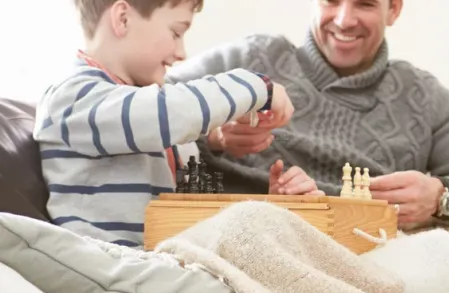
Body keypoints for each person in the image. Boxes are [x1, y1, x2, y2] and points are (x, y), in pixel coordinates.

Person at [164, 0, 449, 234]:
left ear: (394, 9)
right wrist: (210, 132)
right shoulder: (248, 59)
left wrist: (442, 197)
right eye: (331, 1)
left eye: (365, 4)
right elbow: (143, 106)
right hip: (240, 235)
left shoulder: (424, 97)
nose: (344, 19)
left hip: (362, 250)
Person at [33, 0, 313, 247]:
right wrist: (256, 86)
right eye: (176, 33)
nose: (182, 53)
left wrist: (271, 208)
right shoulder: (73, 99)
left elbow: (190, 218)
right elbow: (170, 113)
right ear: (123, 19)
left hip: (163, 261)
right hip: (118, 265)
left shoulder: (140, 107)